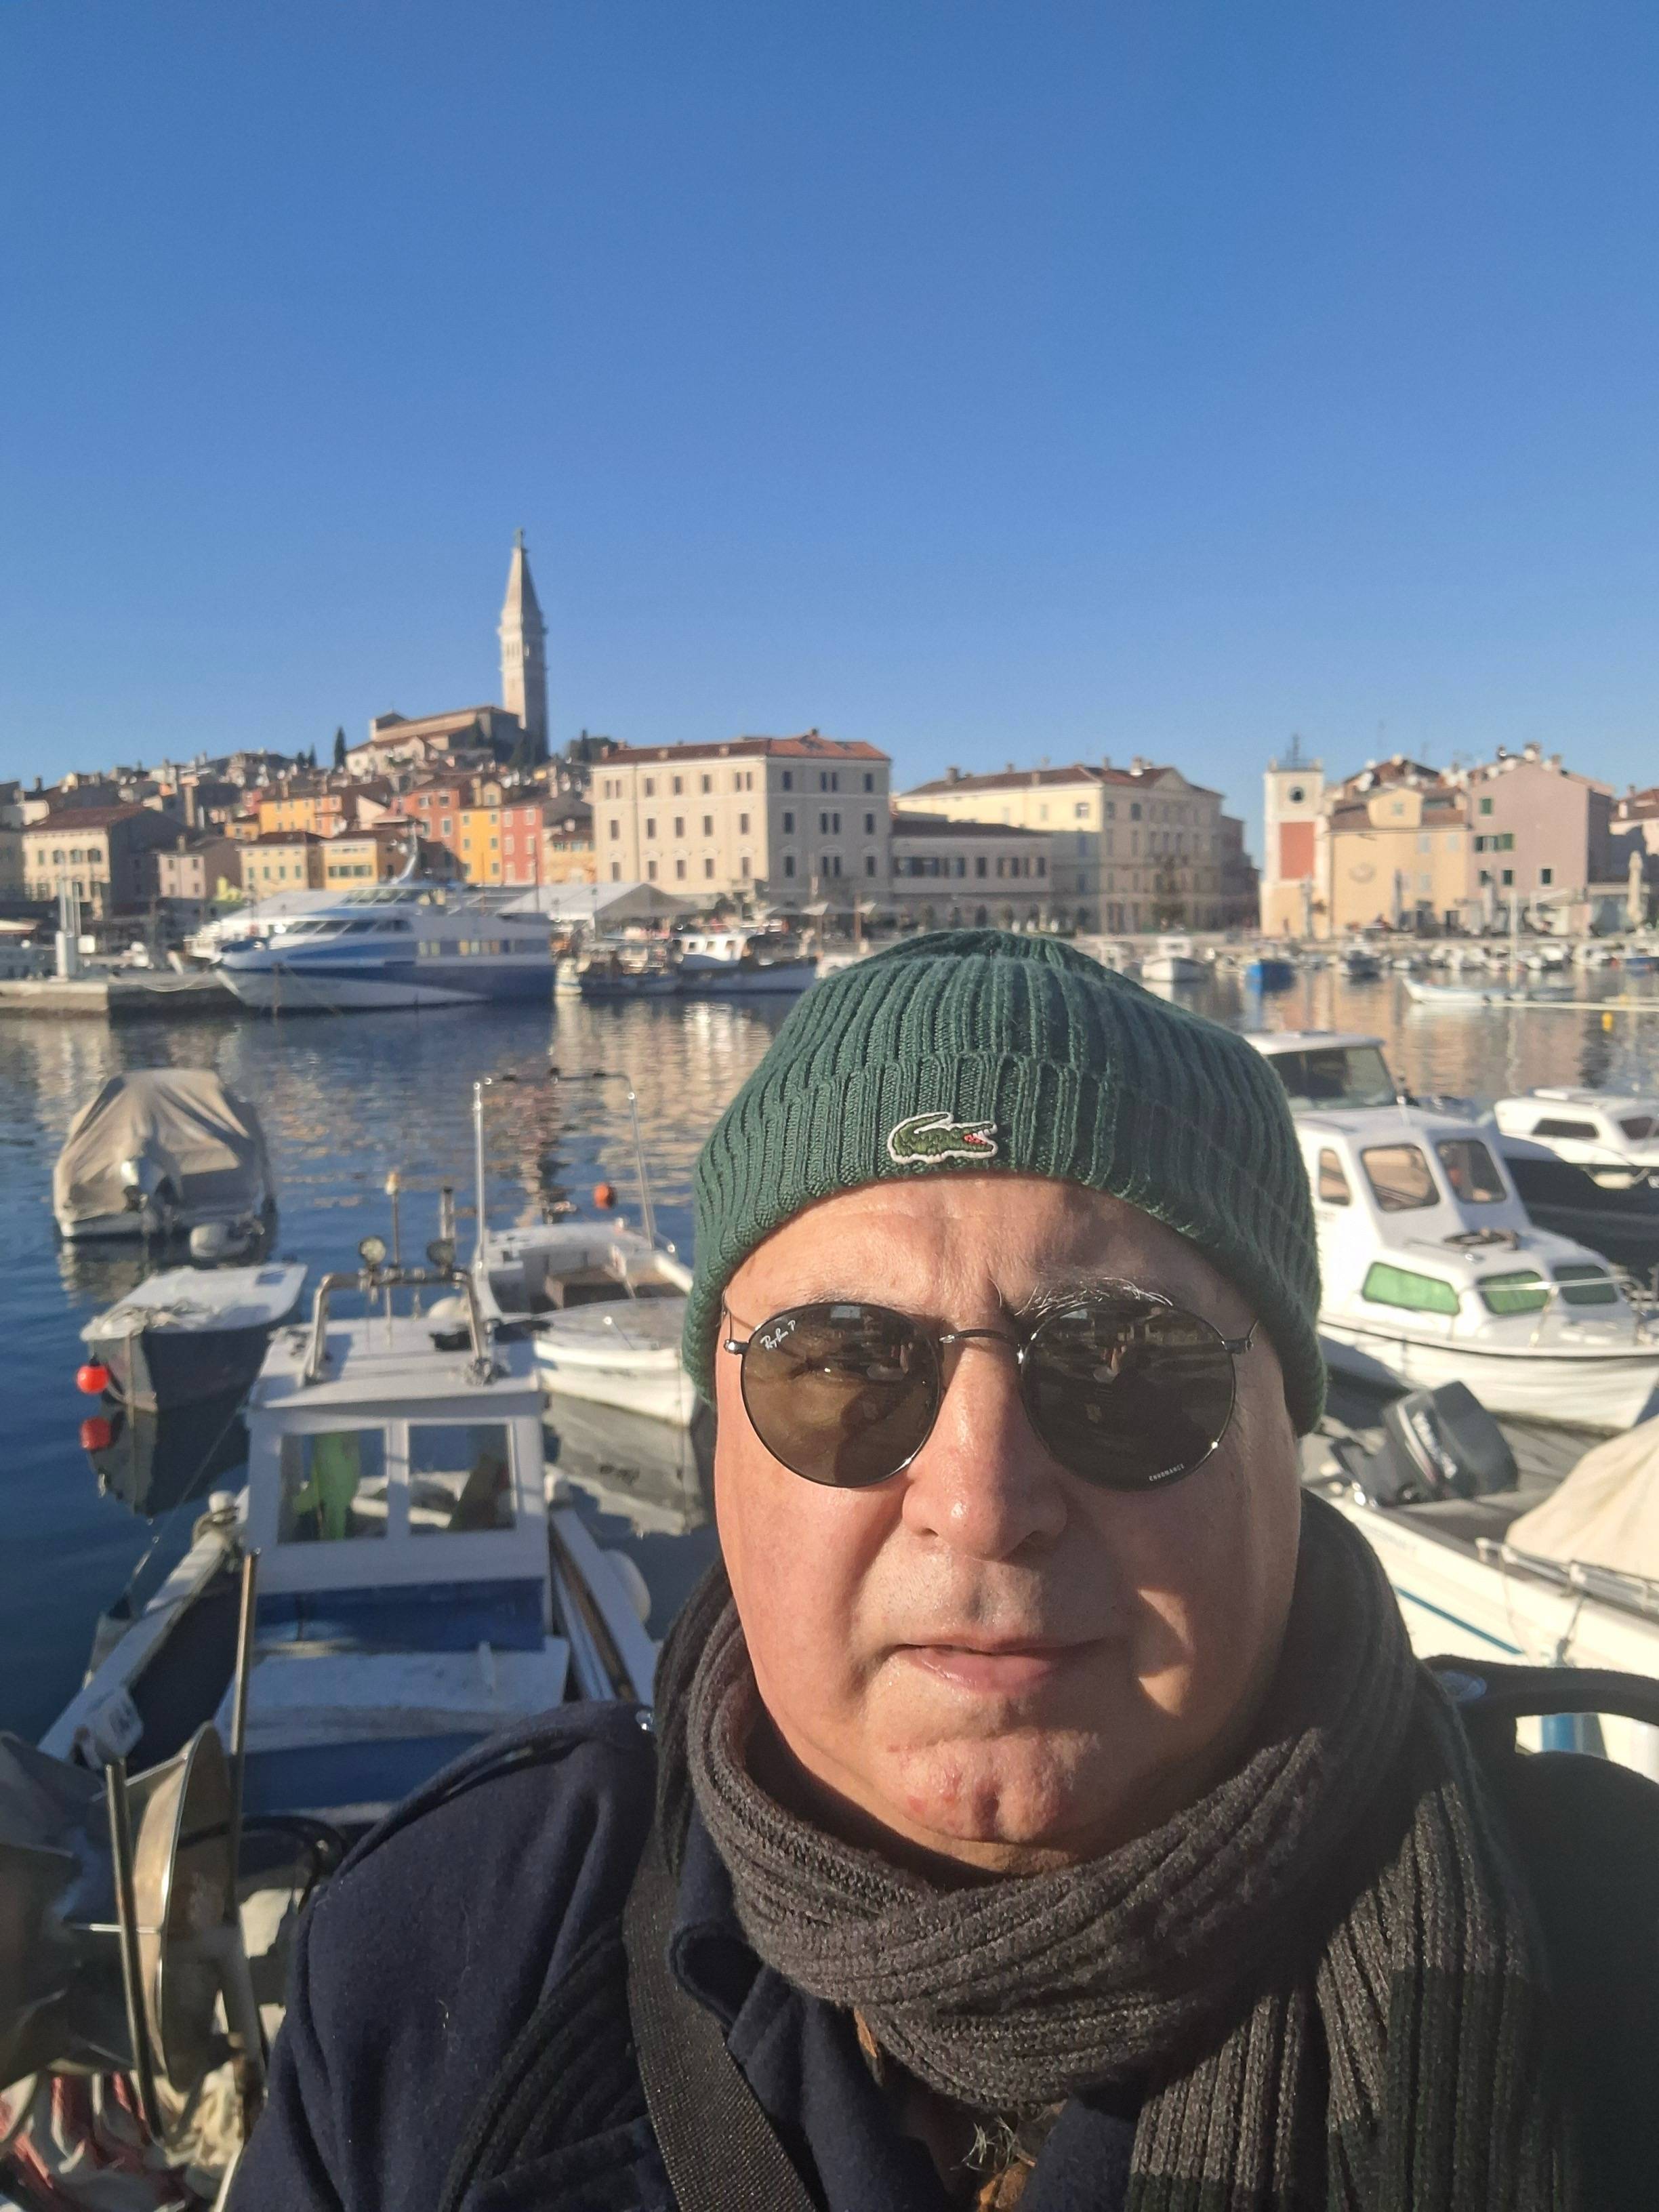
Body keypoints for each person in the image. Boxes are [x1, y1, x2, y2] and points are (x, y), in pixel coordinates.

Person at [234, 931, 1659, 2211]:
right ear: (716, 1445)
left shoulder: (1619, 1944)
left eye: (1124, 1367)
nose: (983, 1508)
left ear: (1289, 1430)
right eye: (841, 1367)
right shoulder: (439, 1959)